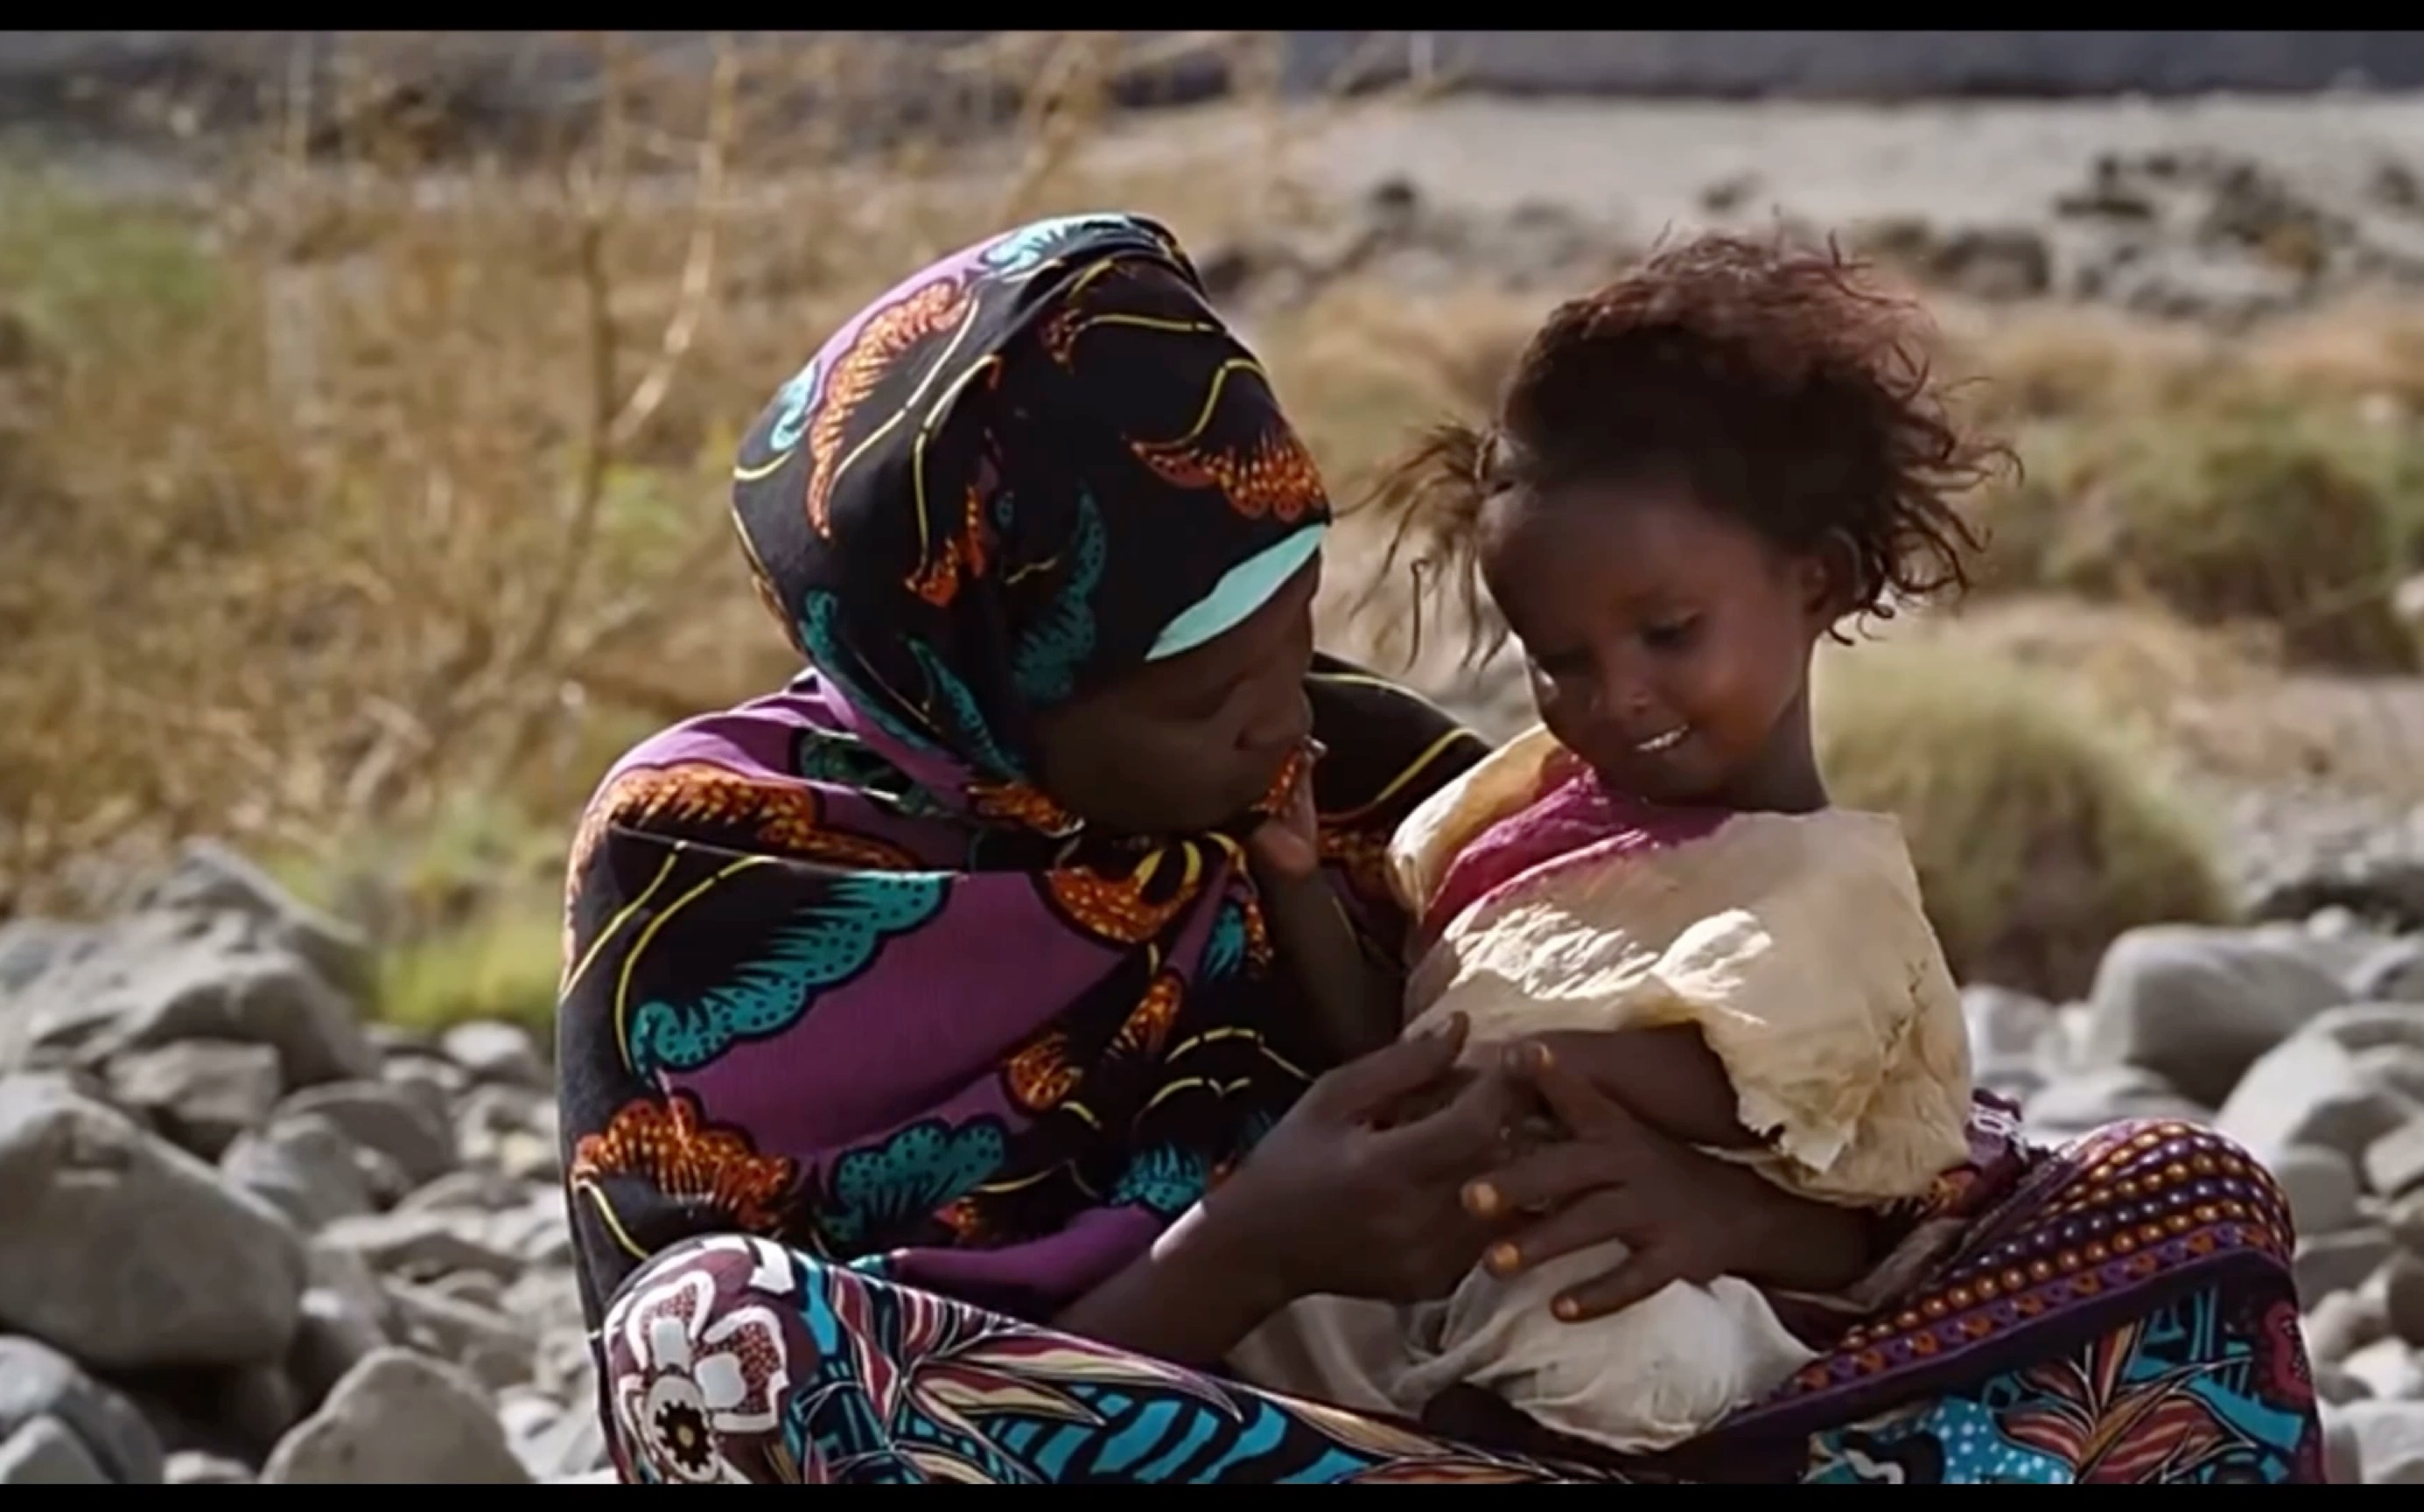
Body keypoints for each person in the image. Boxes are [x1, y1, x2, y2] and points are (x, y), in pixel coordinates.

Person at [554, 213, 2326, 1484]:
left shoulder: (1357, 773)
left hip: (1509, 1408)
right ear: (970, 696)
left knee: (2170, 1199)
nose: (1286, 726)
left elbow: (1868, 1109)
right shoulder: (731, 870)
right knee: (720, 1349)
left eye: (1297, 632)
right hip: (1138, 1437)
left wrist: (1709, 1202)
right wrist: (1246, 1249)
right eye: (1199, 703)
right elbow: (713, 1411)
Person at [1237, 234, 1985, 1455]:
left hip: (1650, 1292)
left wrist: (1522, 1072)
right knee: (1263, 1287)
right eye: (1561, 659)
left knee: (1625, 1342)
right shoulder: (1513, 816)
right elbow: (1388, 1043)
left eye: (1669, 634)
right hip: (1452, 1259)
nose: (1615, 697)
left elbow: (1773, 1112)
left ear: (1819, 582)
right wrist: (1300, 883)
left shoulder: (1820, 886)